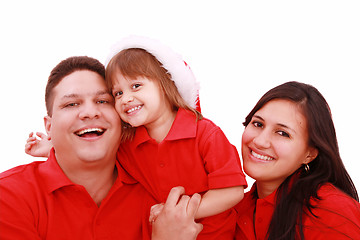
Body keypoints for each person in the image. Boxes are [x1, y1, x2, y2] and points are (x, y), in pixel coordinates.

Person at [26, 36, 247, 239]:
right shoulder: (129, 141)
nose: (126, 98)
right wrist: (53, 146)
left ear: (165, 84)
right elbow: (95, 150)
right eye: (118, 93)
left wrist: (177, 212)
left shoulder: (205, 133)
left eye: (136, 86)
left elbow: (233, 190)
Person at [0, 56, 202, 240]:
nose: (89, 112)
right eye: (71, 104)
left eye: (103, 101)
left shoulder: (161, 192)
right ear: (49, 127)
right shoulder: (9, 195)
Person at [234, 81, 360, 239]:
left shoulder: (333, 211)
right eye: (258, 124)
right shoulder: (232, 209)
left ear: (310, 154)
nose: (260, 141)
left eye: (282, 133)